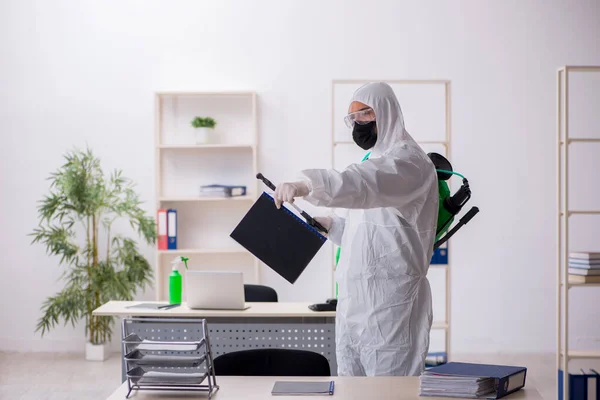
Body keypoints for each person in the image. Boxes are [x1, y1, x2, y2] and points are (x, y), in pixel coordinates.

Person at [273, 82, 439, 376]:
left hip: (392, 308)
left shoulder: (408, 162)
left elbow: (364, 182)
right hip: (354, 305)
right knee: (351, 389)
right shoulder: (374, 159)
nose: (359, 124)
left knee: (390, 395)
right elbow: (374, 233)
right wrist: (333, 226)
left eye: (365, 114)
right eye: (354, 119)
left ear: (386, 112)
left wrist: (306, 185)